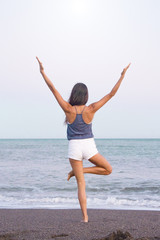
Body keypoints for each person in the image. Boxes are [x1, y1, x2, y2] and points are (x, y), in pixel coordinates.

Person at [36, 56, 131, 222]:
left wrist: (42, 72)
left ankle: (85, 217)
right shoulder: (91, 109)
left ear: (73, 94)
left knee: (81, 184)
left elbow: (53, 88)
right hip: (88, 146)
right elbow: (111, 94)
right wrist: (122, 75)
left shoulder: (68, 109)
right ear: (86, 95)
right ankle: (78, 173)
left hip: (74, 148)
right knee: (108, 170)